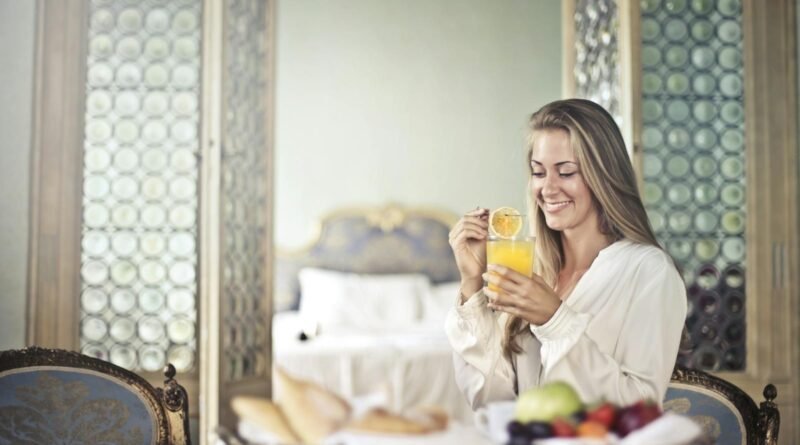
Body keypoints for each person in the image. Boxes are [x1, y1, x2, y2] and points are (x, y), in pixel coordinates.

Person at [445, 98, 686, 410]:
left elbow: (639, 409)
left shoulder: (649, 272)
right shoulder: (536, 270)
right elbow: (493, 401)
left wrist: (556, 320)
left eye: (567, 171)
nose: (548, 188)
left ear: (604, 175)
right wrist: (472, 283)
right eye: (538, 172)